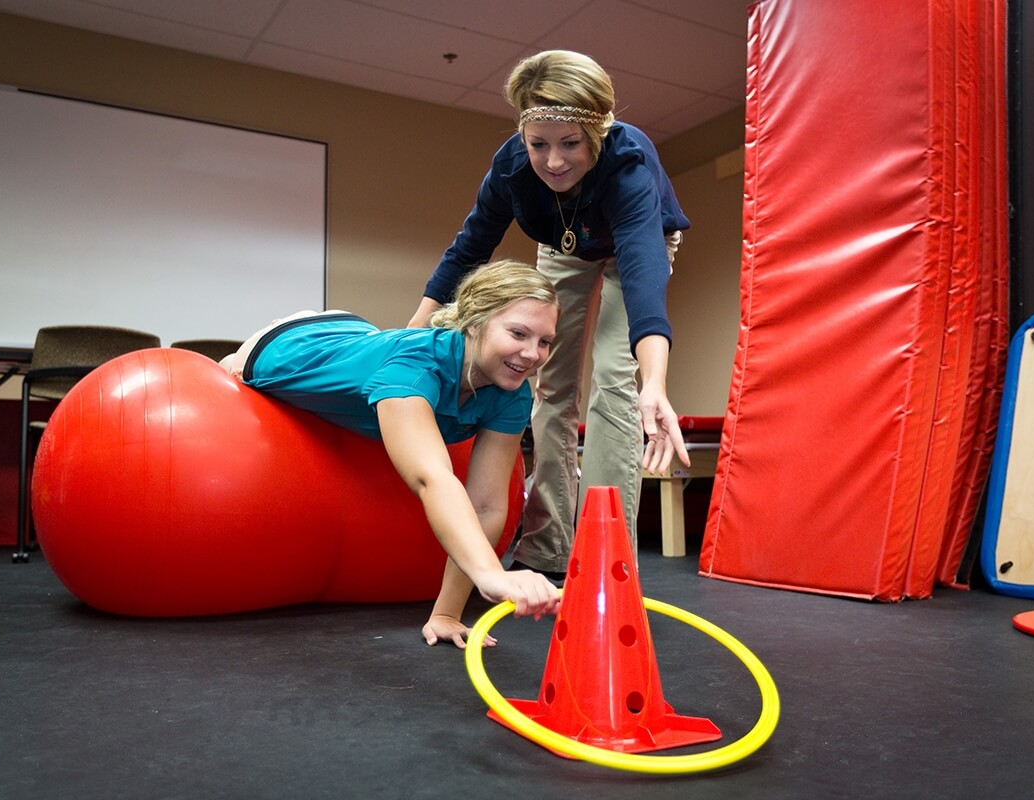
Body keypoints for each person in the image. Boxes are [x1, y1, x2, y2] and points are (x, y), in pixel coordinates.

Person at [407, 50, 692, 581]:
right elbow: (468, 250)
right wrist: (413, 330)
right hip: (564, 243)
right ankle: (550, 547)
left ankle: (606, 552)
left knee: (615, 382)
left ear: (598, 134)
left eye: (570, 145)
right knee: (547, 383)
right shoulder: (513, 167)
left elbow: (645, 283)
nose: (554, 161)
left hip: (637, 242)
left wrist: (655, 382)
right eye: (539, 144)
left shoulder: (628, 166)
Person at [221, 260, 562, 648]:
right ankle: (235, 359)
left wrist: (447, 613)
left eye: (545, 341)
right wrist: (490, 575)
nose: (532, 354)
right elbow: (431, 477)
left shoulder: (510, 393)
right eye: (518, 333)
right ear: (474, 321)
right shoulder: (414, 369)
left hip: (357, 333)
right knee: (237, 369)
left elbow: (485, 504)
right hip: (288, 344)